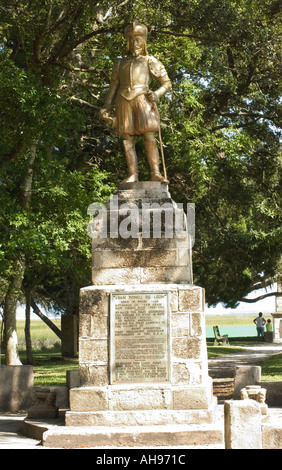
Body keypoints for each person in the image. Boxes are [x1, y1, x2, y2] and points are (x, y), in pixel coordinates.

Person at [100, 20, 172, 184]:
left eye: (138, 39)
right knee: (127, 137)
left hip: (143, 98)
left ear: (144, 41)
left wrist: (157, 93)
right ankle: (133, 174)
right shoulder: (120, 62)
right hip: (123, 99)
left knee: (149, 134)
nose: (134, 43)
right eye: (131, 39)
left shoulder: (150, 61)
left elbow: (167, 83)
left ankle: (155, 173)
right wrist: (107, 106)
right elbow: (114, 85)